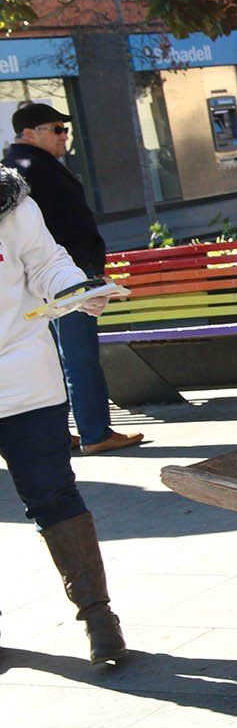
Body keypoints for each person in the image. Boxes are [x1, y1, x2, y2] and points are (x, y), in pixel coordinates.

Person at [0, 163, 130, 665]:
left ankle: (99, 617)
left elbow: (48, 262)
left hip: (25, 381)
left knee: (53, 496)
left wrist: (79, 290)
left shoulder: (10, 202)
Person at [3, 103, 143, 456]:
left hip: (59, 277)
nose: (65, 136)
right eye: (56, 129)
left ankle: (62, 433)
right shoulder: (30, 170)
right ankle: (94, 431)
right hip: (62, 280)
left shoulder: (23, 170)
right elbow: (54, 236)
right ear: (29, 133)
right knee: (79, 357)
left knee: (58, 356)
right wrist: (83, 276)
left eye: (66, 129)